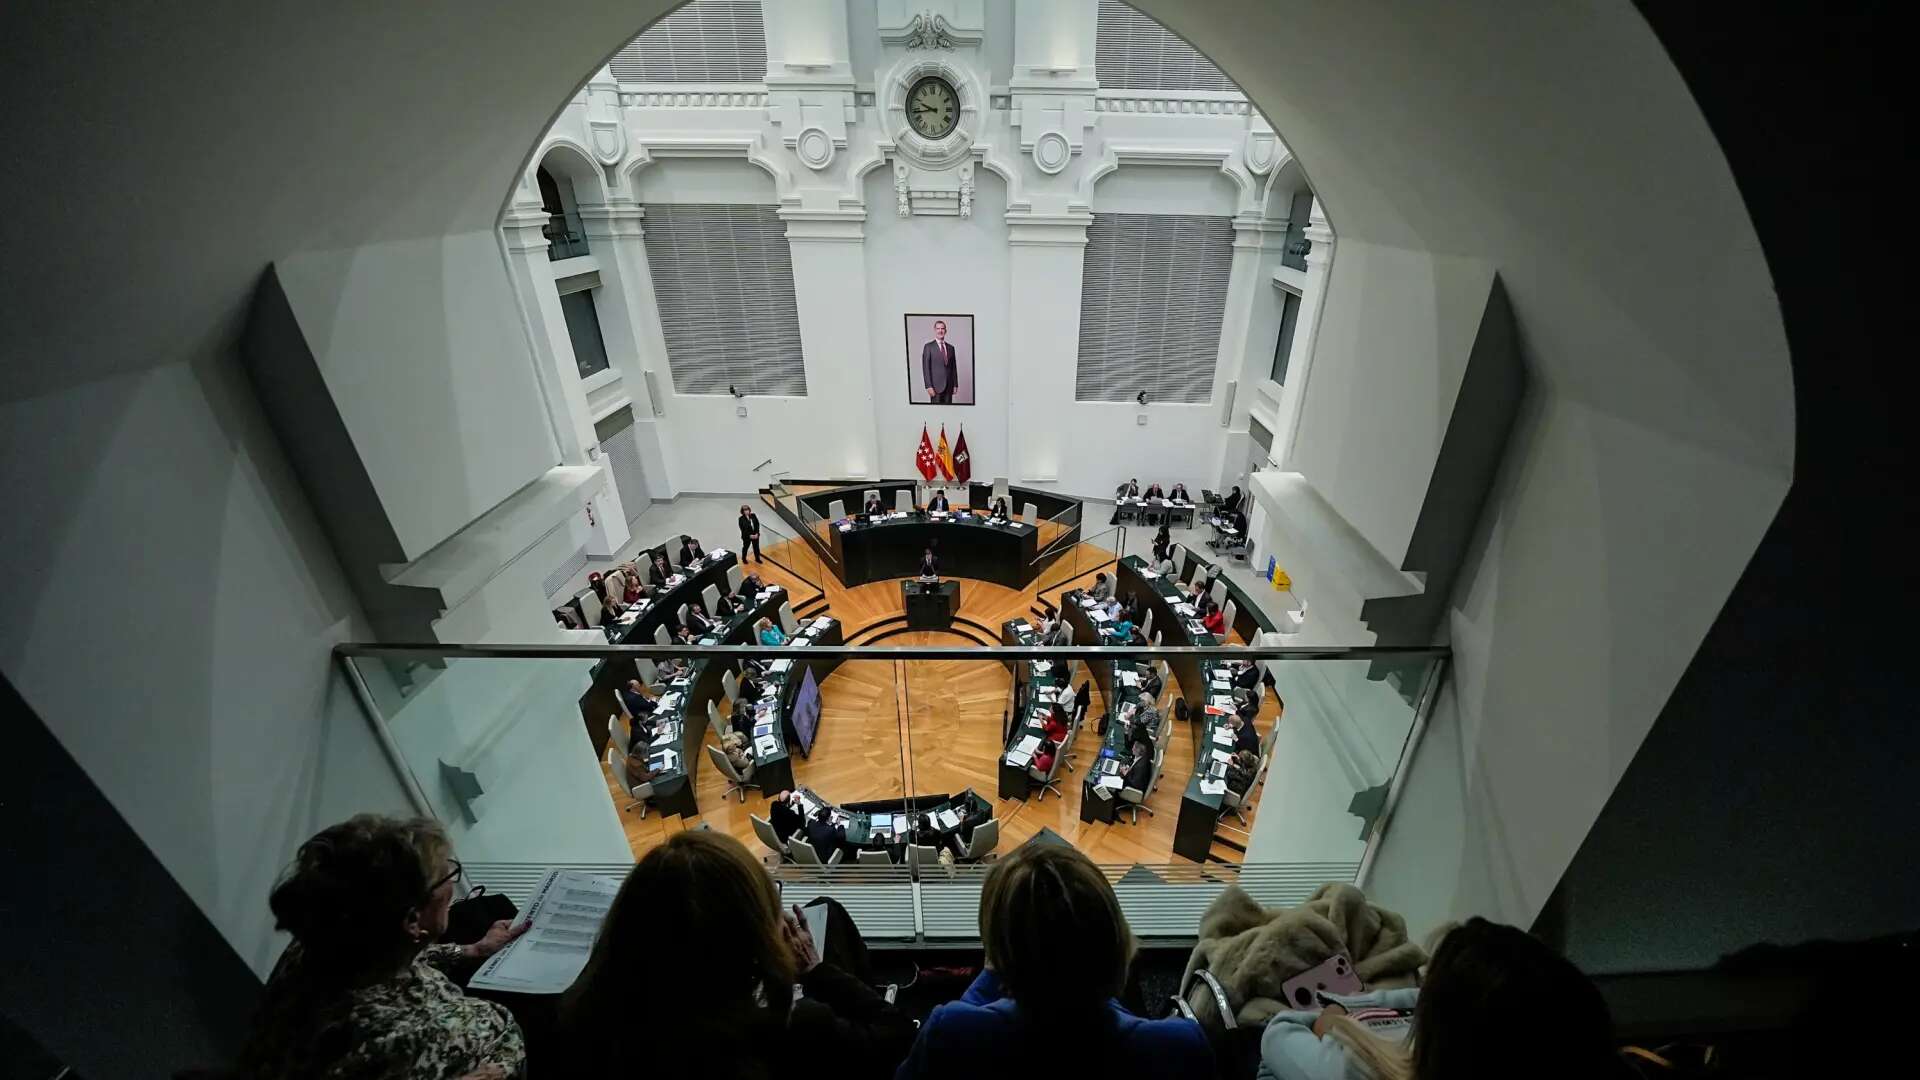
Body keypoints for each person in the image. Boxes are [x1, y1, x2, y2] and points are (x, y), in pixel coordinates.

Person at [558, 831, 916, 1080]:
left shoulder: (580, 1024)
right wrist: (815, 969)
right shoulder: (798, 1028)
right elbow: (899, 1035)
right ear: (749, 948)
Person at [237, 815, 528, 1079]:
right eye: (446, 875)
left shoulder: (316, 940)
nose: (452, 884)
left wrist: (471, 951)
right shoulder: (423, 1034)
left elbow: (400, 953)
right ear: (412, 921)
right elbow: (505, 1051)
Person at [896, 844, 1210, 1078]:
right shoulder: (1179, 1048)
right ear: (1115, 938)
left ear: (1000, 957)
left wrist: (993, 970)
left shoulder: (951, 1033)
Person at [1257, 917, 1622, 1080]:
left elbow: (1279, 1030)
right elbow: (1426, 997)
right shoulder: (1547, 1047)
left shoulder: (1356, 1072)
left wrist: (1335, 1015)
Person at [922, 318, 960, 404]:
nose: (940, 331)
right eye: (938, 328)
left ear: (945, 331)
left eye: (942, 328)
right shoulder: (928, 347)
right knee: (935, 412)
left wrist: (955, 384)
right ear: (935, 330)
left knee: (949, 412)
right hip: (935, 387)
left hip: (949, 386)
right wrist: (928, 386)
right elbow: (926, 368)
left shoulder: (951, 348)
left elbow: (954, 368)